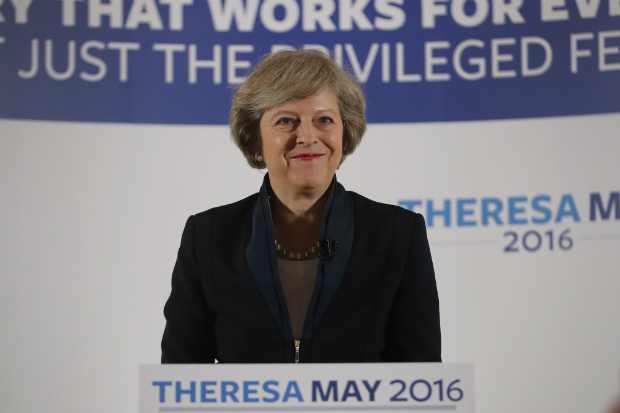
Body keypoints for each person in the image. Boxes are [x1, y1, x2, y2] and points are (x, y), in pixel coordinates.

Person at [161, 49, 441, 363]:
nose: (307, 136)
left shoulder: (397, 233)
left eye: (324, 120)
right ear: (256, 142)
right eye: (286, 121)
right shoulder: (209, 236)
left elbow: (421, 378)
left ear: (345, 132)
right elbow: (179, 380)